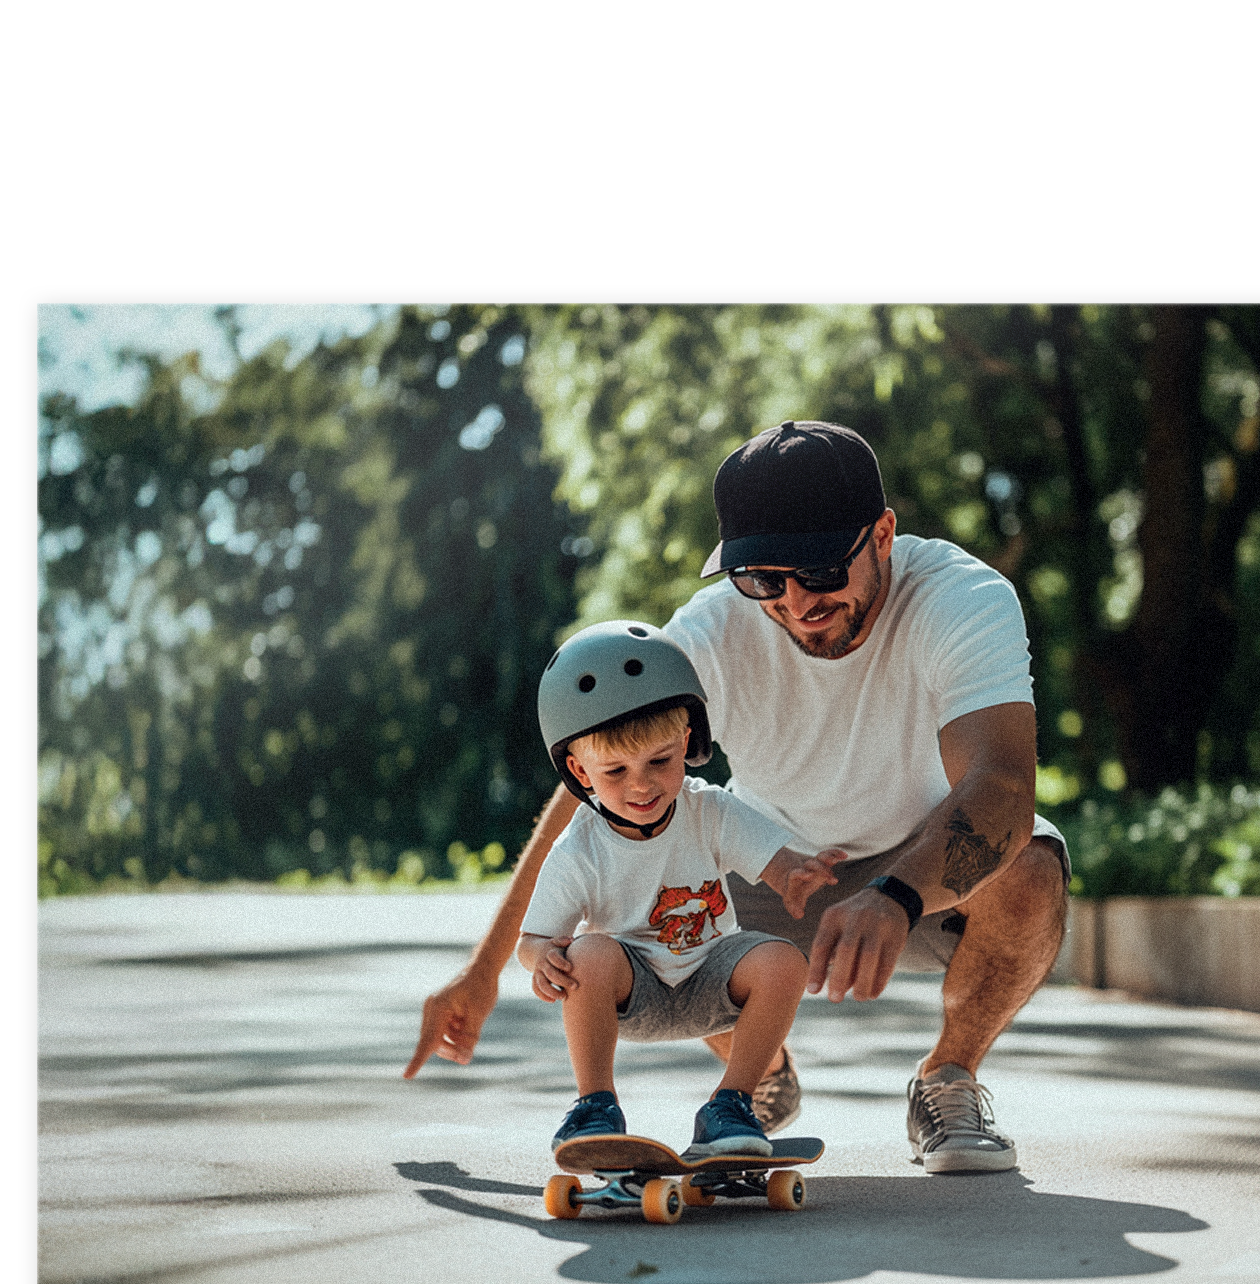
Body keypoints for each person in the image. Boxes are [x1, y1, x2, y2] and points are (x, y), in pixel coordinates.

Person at [406, 419, 1069, 1172]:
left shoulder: (960, 599)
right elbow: (589, 797)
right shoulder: (711, 635)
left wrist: (895, 893)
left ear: (882, 534)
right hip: (765, 870)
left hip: (922, 874)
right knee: (630, 868)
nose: (795, 603)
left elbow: (1003, 786)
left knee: (1030, 867)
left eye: (821, 570)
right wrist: (484, 969)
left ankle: (947, 1078)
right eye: (763, 580)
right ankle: (756, 1078)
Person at [514, 620, 841, 1160]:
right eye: (615, 770)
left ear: (686, 742)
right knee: (587, 951)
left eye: (659, 761)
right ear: (580, 771)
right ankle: (595, 1106)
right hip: (632, 990)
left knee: (782, 961)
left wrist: (796, 874)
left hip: (712, 977)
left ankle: (731, 1105)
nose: (641, 785)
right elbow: (533, 940)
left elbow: (772, 859)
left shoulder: (707, 809)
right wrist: (542, 958)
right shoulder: (579, 849)